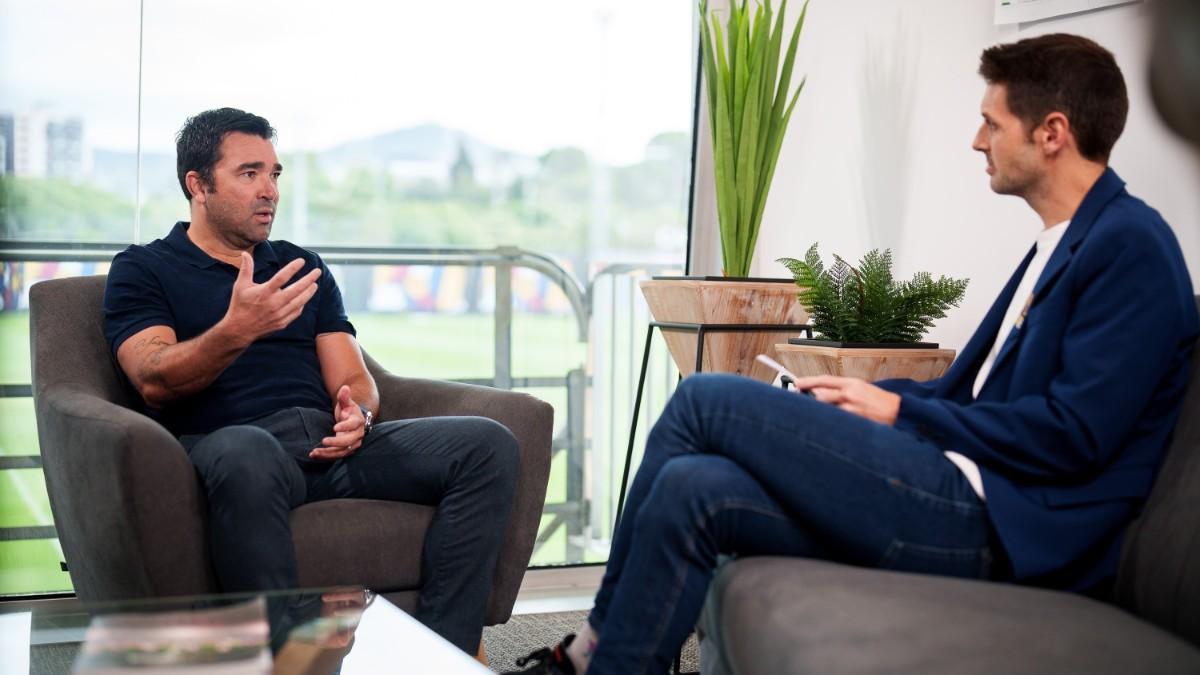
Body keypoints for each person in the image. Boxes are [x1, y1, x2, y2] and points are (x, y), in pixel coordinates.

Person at [506, 33, 1199, 675]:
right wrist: (871, 396)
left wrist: (898, 409)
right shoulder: (1062, 242)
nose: (975, 140)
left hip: (1005, 527)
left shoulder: (1131, 245)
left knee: (703, 399)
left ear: (1052, 133)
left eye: (993, 123)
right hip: (960, 490)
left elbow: (1073, 436)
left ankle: (589, 646)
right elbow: (972, 397)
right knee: (693, 487)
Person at [102, 107, 519, 655]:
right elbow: (152, 378)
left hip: (331, 445)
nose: (269, 190)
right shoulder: (144, 268)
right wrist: (236, 330)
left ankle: (443, 651)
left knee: (489, 444)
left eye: (274, 174)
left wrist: (360, 414)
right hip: (241, 446)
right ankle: (283, 661)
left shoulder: (301, 265)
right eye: (249, 173)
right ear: (197, 185)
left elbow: (353, 374)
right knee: (243, 450)